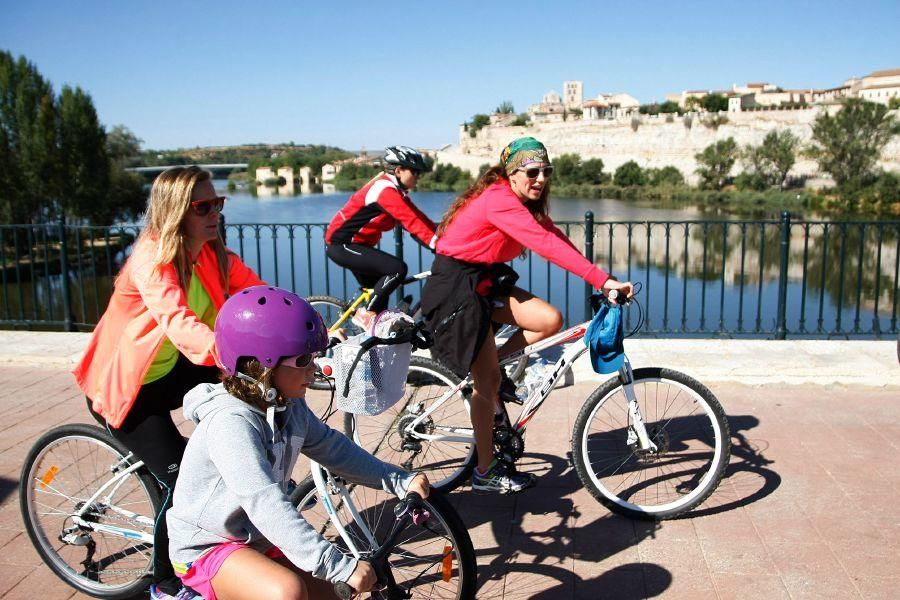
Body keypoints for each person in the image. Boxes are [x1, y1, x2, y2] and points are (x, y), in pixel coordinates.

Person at [72, 166, 266, 599]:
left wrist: (307, 327)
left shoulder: (213, 254)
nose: (215, 212)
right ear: (177, 211)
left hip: (174, 370)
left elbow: (260, 294)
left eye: (218, 203)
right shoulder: (152, 259)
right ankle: (166, 584)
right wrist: (239, 356)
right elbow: (179, 322)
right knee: (181, 485)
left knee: (252, 399)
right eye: (203, 206)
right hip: (130, 388)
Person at [166, 286, 430, 600]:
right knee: (286, 593)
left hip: (256, 537)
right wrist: (337, 565)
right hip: (207, 545)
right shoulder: (230, 422)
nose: (313, 368)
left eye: (315, 356)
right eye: (303, 359)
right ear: (262, 367)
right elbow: (264, 501)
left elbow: (333, 449)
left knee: (332, 594)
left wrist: (398, 479)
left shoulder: (287, 404)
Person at [420, 137, 634, 494]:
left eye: (546, 172)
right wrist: (601, 280)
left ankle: (490, 366)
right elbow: (543, 245)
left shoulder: (522, 202)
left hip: (484, 280)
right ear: (512, 173)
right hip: (457, 287)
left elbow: (553, 237)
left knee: (549, 320)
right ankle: (484, 472)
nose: (540, 179)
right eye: (532, 171)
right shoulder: (499, 200)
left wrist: (603, 278)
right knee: (486, 388)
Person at [325, 146, 437, 330]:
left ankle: (373, 344)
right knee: (396, 269)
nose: (418, 176)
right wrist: (438, 246)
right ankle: (365, 315)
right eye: (415, 172)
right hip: (342, 245)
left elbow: (420, 218)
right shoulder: (384, 190)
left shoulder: (395, 191)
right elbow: (410, 220)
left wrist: (445, 238)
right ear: (399, 170)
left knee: (381, 301)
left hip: (358, 246)